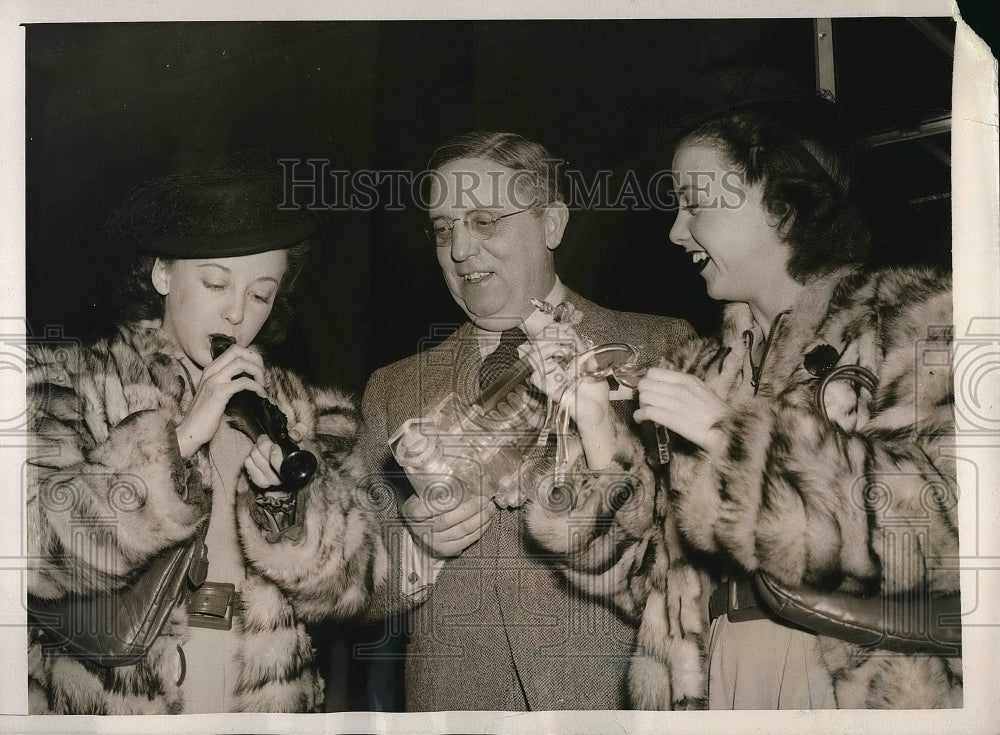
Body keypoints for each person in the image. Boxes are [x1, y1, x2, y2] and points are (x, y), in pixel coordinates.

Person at [523, 93, 961, 709]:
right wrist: (595, 422)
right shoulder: (699, 368)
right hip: (715, 678)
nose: (676, 231)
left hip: (848, 681)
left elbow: (940, 536)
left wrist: (730, 433)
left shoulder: (912, 321)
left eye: (694, 204)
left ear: (781, 205)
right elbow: (646, 581)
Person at [26, 152, 387, 714]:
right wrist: (180, 440)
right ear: (163, 273)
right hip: (121, 699)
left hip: (259, 698)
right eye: (217, 283)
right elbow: (30, 550)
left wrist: (286, 509)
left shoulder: (301, 412)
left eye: (261, 294)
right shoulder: (71, 383)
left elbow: (358, 586)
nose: (238, 314)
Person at [359, 131, 695, 711]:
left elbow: (694, 549)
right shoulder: (392, 387)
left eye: (484, 220)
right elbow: (350, 581)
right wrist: (416, 545)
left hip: (609, 704)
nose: (459, 249)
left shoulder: (660, 346)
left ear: (553, 224)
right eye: (444, 228)